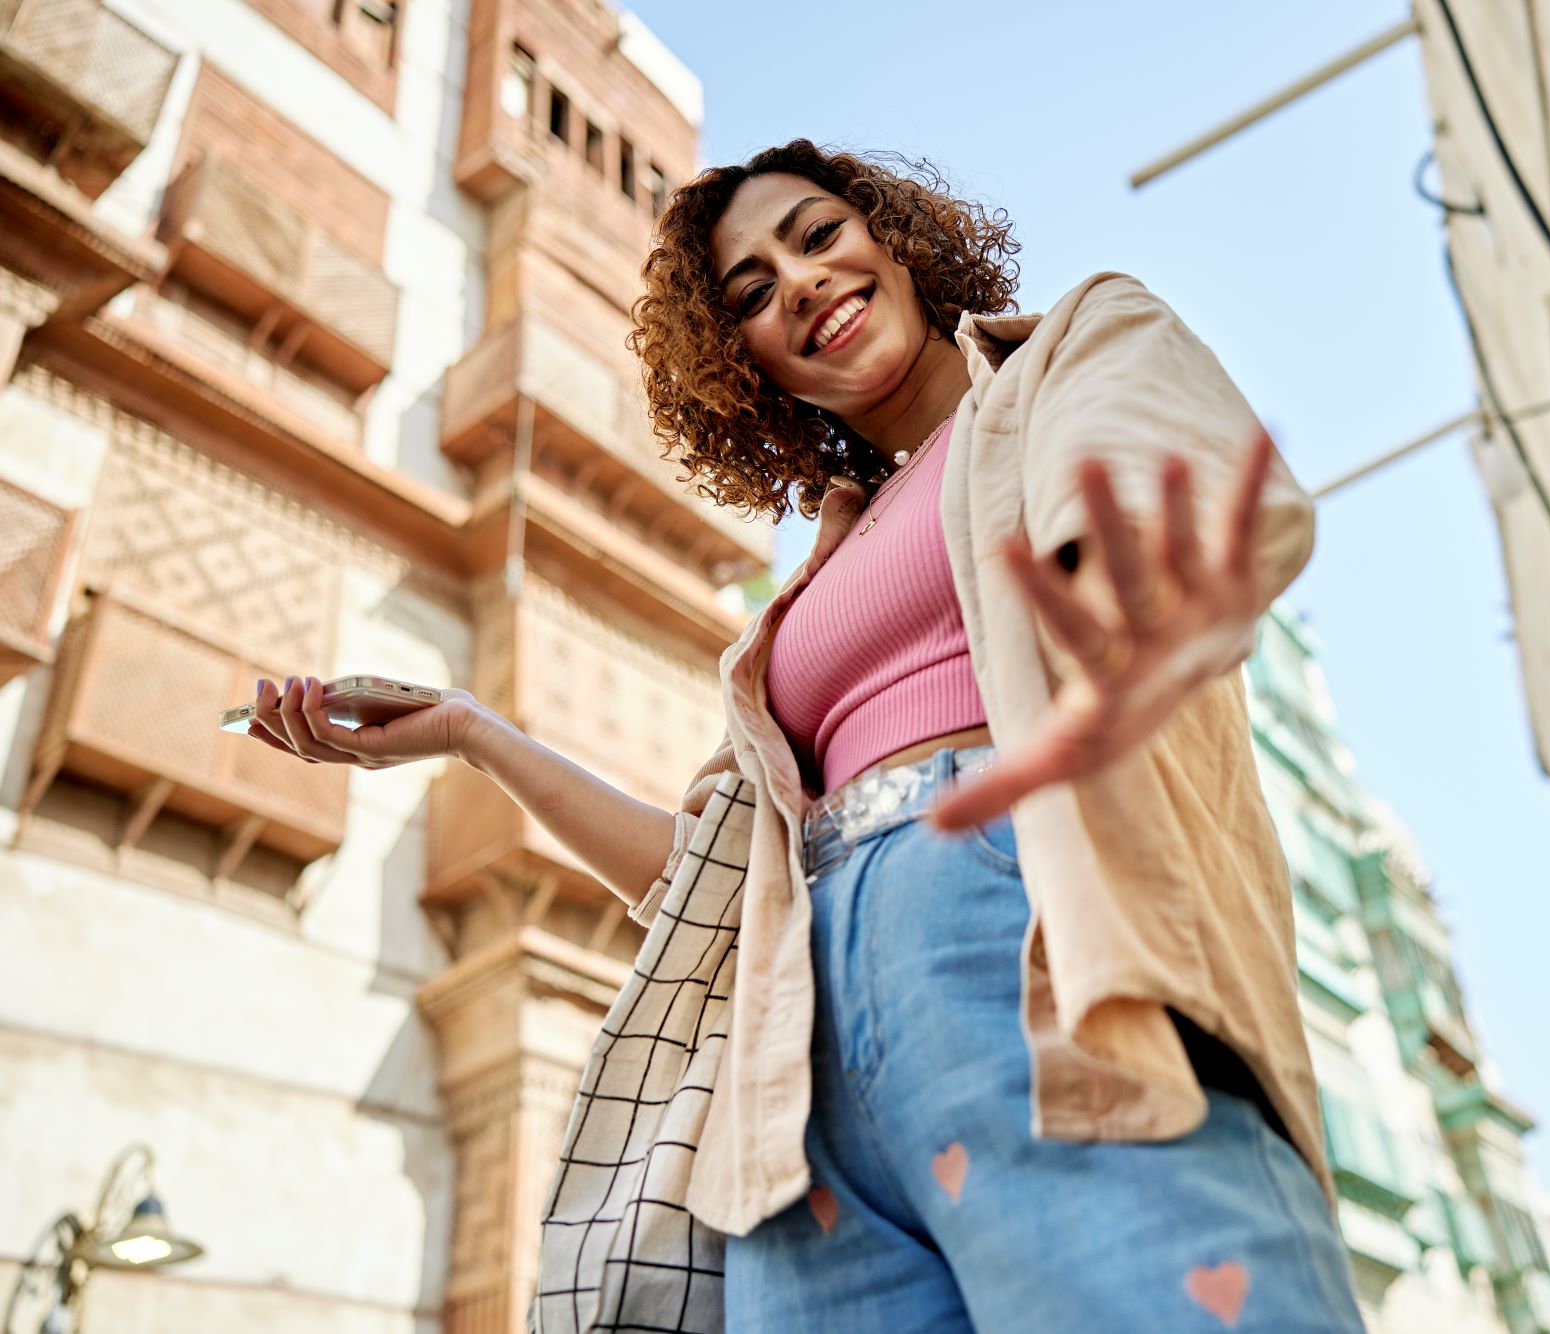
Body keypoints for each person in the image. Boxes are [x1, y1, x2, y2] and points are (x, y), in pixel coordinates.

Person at [246, 139, 1366, 1332]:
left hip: (1025, 931)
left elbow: (1172, 520)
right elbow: (705, 883)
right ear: (748, 364)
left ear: (894, 237)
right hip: (792, 1066)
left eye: (817, 233)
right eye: (749, 291)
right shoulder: (795, 614)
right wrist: (471, 734)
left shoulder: (1067, 353)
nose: (797, 280)